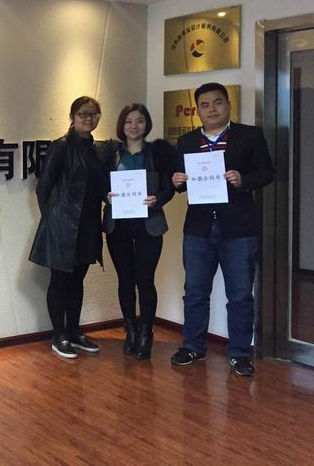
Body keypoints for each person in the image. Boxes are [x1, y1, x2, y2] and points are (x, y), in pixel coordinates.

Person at [170, 82, 275, 376]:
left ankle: (240, 352)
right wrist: (177, 182)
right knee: (194, 292)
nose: (212, 109)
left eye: (217, 103)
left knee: (240, 295)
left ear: (228, 105)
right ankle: (193, 346)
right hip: (198, 228)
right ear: (197, 111)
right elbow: (182, 181)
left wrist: (244, 180)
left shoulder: (249, 136)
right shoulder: (187, 142)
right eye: (205, 105)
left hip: (239, 228)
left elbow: (267, 172)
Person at [29, 96, 108, 359]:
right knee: (60, 282)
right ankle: (59, 335)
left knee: (77, 281)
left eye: (94, 114)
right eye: (83, 114)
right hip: (62, 227)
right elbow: (43, 188)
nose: (89, 118)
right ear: (72, 117)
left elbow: (98, 187)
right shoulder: (60, 146)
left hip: (88, 225)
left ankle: (74, 332)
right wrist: (53, 221)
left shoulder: (97, 150)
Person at [104, 104, 176, 360]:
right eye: (128, 121)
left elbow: (169, 187)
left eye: (140, 121)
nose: (134, 126)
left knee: (145, 280)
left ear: (147, 125)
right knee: (125, 279)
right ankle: (130, 331)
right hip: (118, 225)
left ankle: (146, 333)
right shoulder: (110, 154)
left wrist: (158, 199)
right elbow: (99, 184)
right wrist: (105, 196)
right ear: (121, 125)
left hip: (149, 224)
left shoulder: (158, 153)